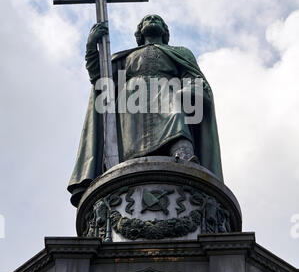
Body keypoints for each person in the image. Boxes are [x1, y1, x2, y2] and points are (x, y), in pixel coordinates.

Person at [68, 15, 223, 206]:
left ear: (165, 31)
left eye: (157, 20)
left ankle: (183, 154)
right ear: (139, 32)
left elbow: (193, 78)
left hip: (169, 92)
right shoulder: (126, 57)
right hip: (131, 104)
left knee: (171, 99)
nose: (152, 20)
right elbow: (101, 78)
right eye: (148, 19)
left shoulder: (181, 52)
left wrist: (190, 90)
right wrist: (92, 47)